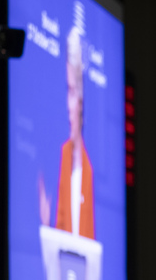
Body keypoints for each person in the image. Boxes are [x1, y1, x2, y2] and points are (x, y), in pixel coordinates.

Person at [39, 25, 95, 239]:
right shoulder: (62, 154)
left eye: (73, 93)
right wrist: (46, 224)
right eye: (68, 92)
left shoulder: (87, 169)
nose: (69, 105)